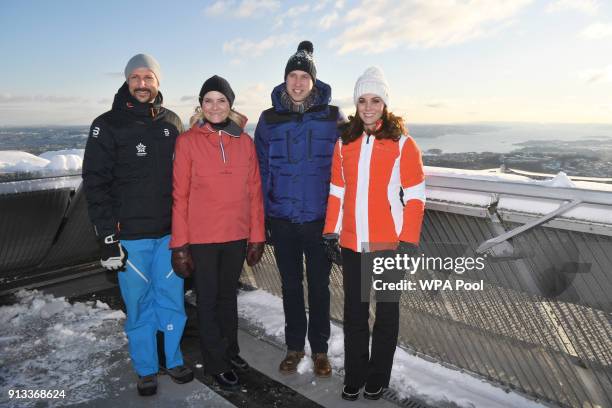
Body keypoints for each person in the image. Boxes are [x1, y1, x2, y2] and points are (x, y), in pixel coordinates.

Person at [82, 53, 193, 396]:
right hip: (129, 236)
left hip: (169, 234)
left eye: (149, 78)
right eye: (136, 78)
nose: (142, 84)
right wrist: (106, 236)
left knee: (172, 300)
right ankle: (146, 367)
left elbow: (189, 174)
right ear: (127, 81)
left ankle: (172, 359)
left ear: (158, 82)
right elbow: (95, 181)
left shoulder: (172, 121)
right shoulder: (107, 124)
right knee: (139, 305)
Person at [322, 66, 425, 401]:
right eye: (363, 100)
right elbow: (337, 190)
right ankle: (354, 375)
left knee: (386, 314)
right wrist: (330, 232)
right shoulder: (345, 142)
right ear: (356, 104)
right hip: (353, 241)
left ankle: (377, 377)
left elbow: (415, 196)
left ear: (385, 104)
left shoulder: (402, 144)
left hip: (388, 243)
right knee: (354, 314)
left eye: (375, 100)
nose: (368, 106)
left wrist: (408, 239)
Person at [170, 75, 265, 390]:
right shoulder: (187, 142)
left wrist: (256, 236)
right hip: (202, 237)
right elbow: (179, 195)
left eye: (221, 100)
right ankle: (216, 362)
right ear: (200, 105)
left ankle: (230, 350)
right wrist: (180, 245)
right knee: (208, 300)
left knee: (229, 298)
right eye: (208, 100)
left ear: (230, 105)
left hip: (236, 235)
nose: (214, 106)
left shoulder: (245, 143)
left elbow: (254, 192)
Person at [255, 40, 343, 377]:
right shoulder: (269, 119)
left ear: (313, 82)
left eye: (303, 76)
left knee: (319, 288)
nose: (297, 82)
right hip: (282, 218)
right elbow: (260, 171)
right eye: (292, 75)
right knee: (290, 286)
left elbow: (347, 168)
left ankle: (320, 350)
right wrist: (261, 218)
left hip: (319, 220)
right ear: (285, 79)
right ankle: (294, 347)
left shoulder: (333, 117)